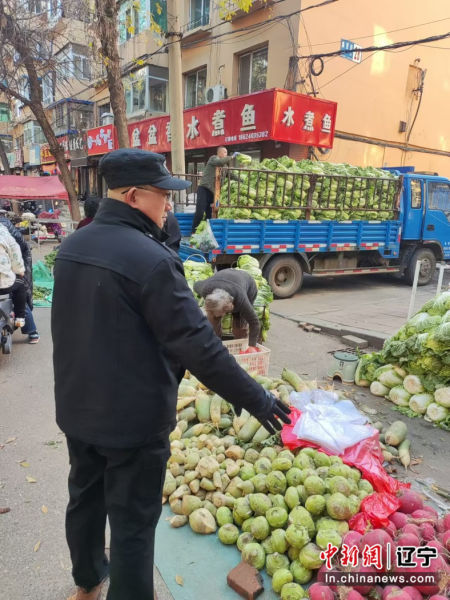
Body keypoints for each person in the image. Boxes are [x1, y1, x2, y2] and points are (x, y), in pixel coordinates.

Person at [51, 148, 290, 600]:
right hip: (133, 423)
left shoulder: (71, 247)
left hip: (78, 408)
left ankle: (87, 578)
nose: (170, 206)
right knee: (133, 523)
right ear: (135, 196)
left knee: (84, 497)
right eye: (164, 196)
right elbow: (201, 346)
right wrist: (258, 399)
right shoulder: (153, 261)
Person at [194, 269, 261, 347]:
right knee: (213, 322)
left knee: (239, 326)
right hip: (221, 279)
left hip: (247, 285)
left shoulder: (241, 300)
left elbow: (255, 323)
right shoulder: (205, 289)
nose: (220, 316)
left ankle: (240, 345)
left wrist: (252, 346)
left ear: (226, 309)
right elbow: (195, 284)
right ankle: (216, 345)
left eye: (221, 314)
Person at [0, 210, 39, 342]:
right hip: (8, 271)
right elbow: (17, 249)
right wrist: (20, 270)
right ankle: (26, 325)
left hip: (11, 262)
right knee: (19, 289)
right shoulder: (4, 228)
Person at [191, 146, 238, 233]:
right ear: (219, 153)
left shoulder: (225, 167)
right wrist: (231, 157)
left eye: (227, 153)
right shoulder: (213, 159)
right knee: (200, 212)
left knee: (209, 214)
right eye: (224, 152)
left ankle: (205, 232)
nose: (226, 154)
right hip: (204, 189)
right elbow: (219, 162)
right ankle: (193, 231)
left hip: (214, 192)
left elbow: (231, 175)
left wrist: (241, 180)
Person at [0, 223, 26, 327]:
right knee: (20, 285)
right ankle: (20, 318)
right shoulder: (4, 233)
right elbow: (16, 255)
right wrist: (19, 271)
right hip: (4, 285)